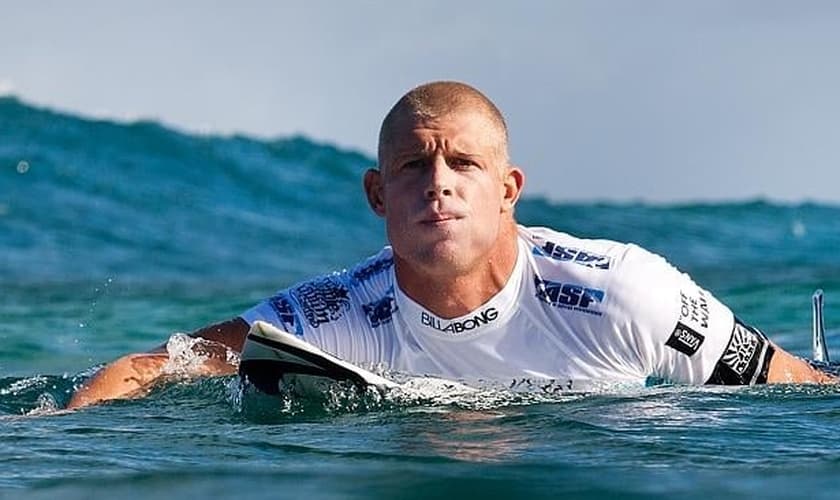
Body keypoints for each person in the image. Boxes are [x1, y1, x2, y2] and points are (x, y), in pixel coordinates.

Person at [67, 81, 833, 409]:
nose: (439, 182)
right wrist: (54, 441)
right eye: (413, 165)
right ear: (378, 195)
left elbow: (793, 389)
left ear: (508, 189)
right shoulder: (332, 314)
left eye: (464, 162)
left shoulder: (625, 293)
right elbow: (148, 368)